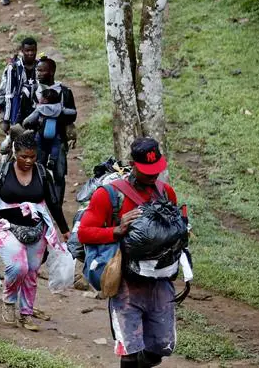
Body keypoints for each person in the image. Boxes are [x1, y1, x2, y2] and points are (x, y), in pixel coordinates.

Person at [78, 137, 182, 368]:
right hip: (126, 283)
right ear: (133, 164)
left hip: (159, 281)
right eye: (146, 171)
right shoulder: (109, 195)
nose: (153, 175)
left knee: (161, 347)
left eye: (156, 170)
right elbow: (85, 232)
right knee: (129, 350)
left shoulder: (166, 193)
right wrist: (117, 230)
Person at [0, 128, 70, 331]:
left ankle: (26, 314)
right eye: (23, 157)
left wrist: (64, 229)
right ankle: (9, 302)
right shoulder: (1, 172)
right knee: (18, 267)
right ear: (14, 153)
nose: (28, 161)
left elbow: (54, 203)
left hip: (36, 229)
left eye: (32, 156)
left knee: (32, 272)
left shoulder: (42, 173)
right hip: (6, 227)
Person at [21, 57, 77, 203]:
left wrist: (56, 114)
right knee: (35, 171)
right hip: (37, 138)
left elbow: (73, 115)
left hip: (58, 137)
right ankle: (37, 203)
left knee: (59, 174)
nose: (38, 73)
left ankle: (56, 205)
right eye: (37, 70)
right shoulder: (32, 90)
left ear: (51, 72)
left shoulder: (64, 92)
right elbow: (24, 114)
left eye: (41, 70)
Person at [0, 37, 38, 137]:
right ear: (22, 51)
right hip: (17, 107)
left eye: (33, 50)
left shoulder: (40, 66)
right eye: (27, 50)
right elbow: (8, 94)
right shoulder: (13, 68)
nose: (30, 53)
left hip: (35, 107)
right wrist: (6, 120)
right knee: (16, 138)